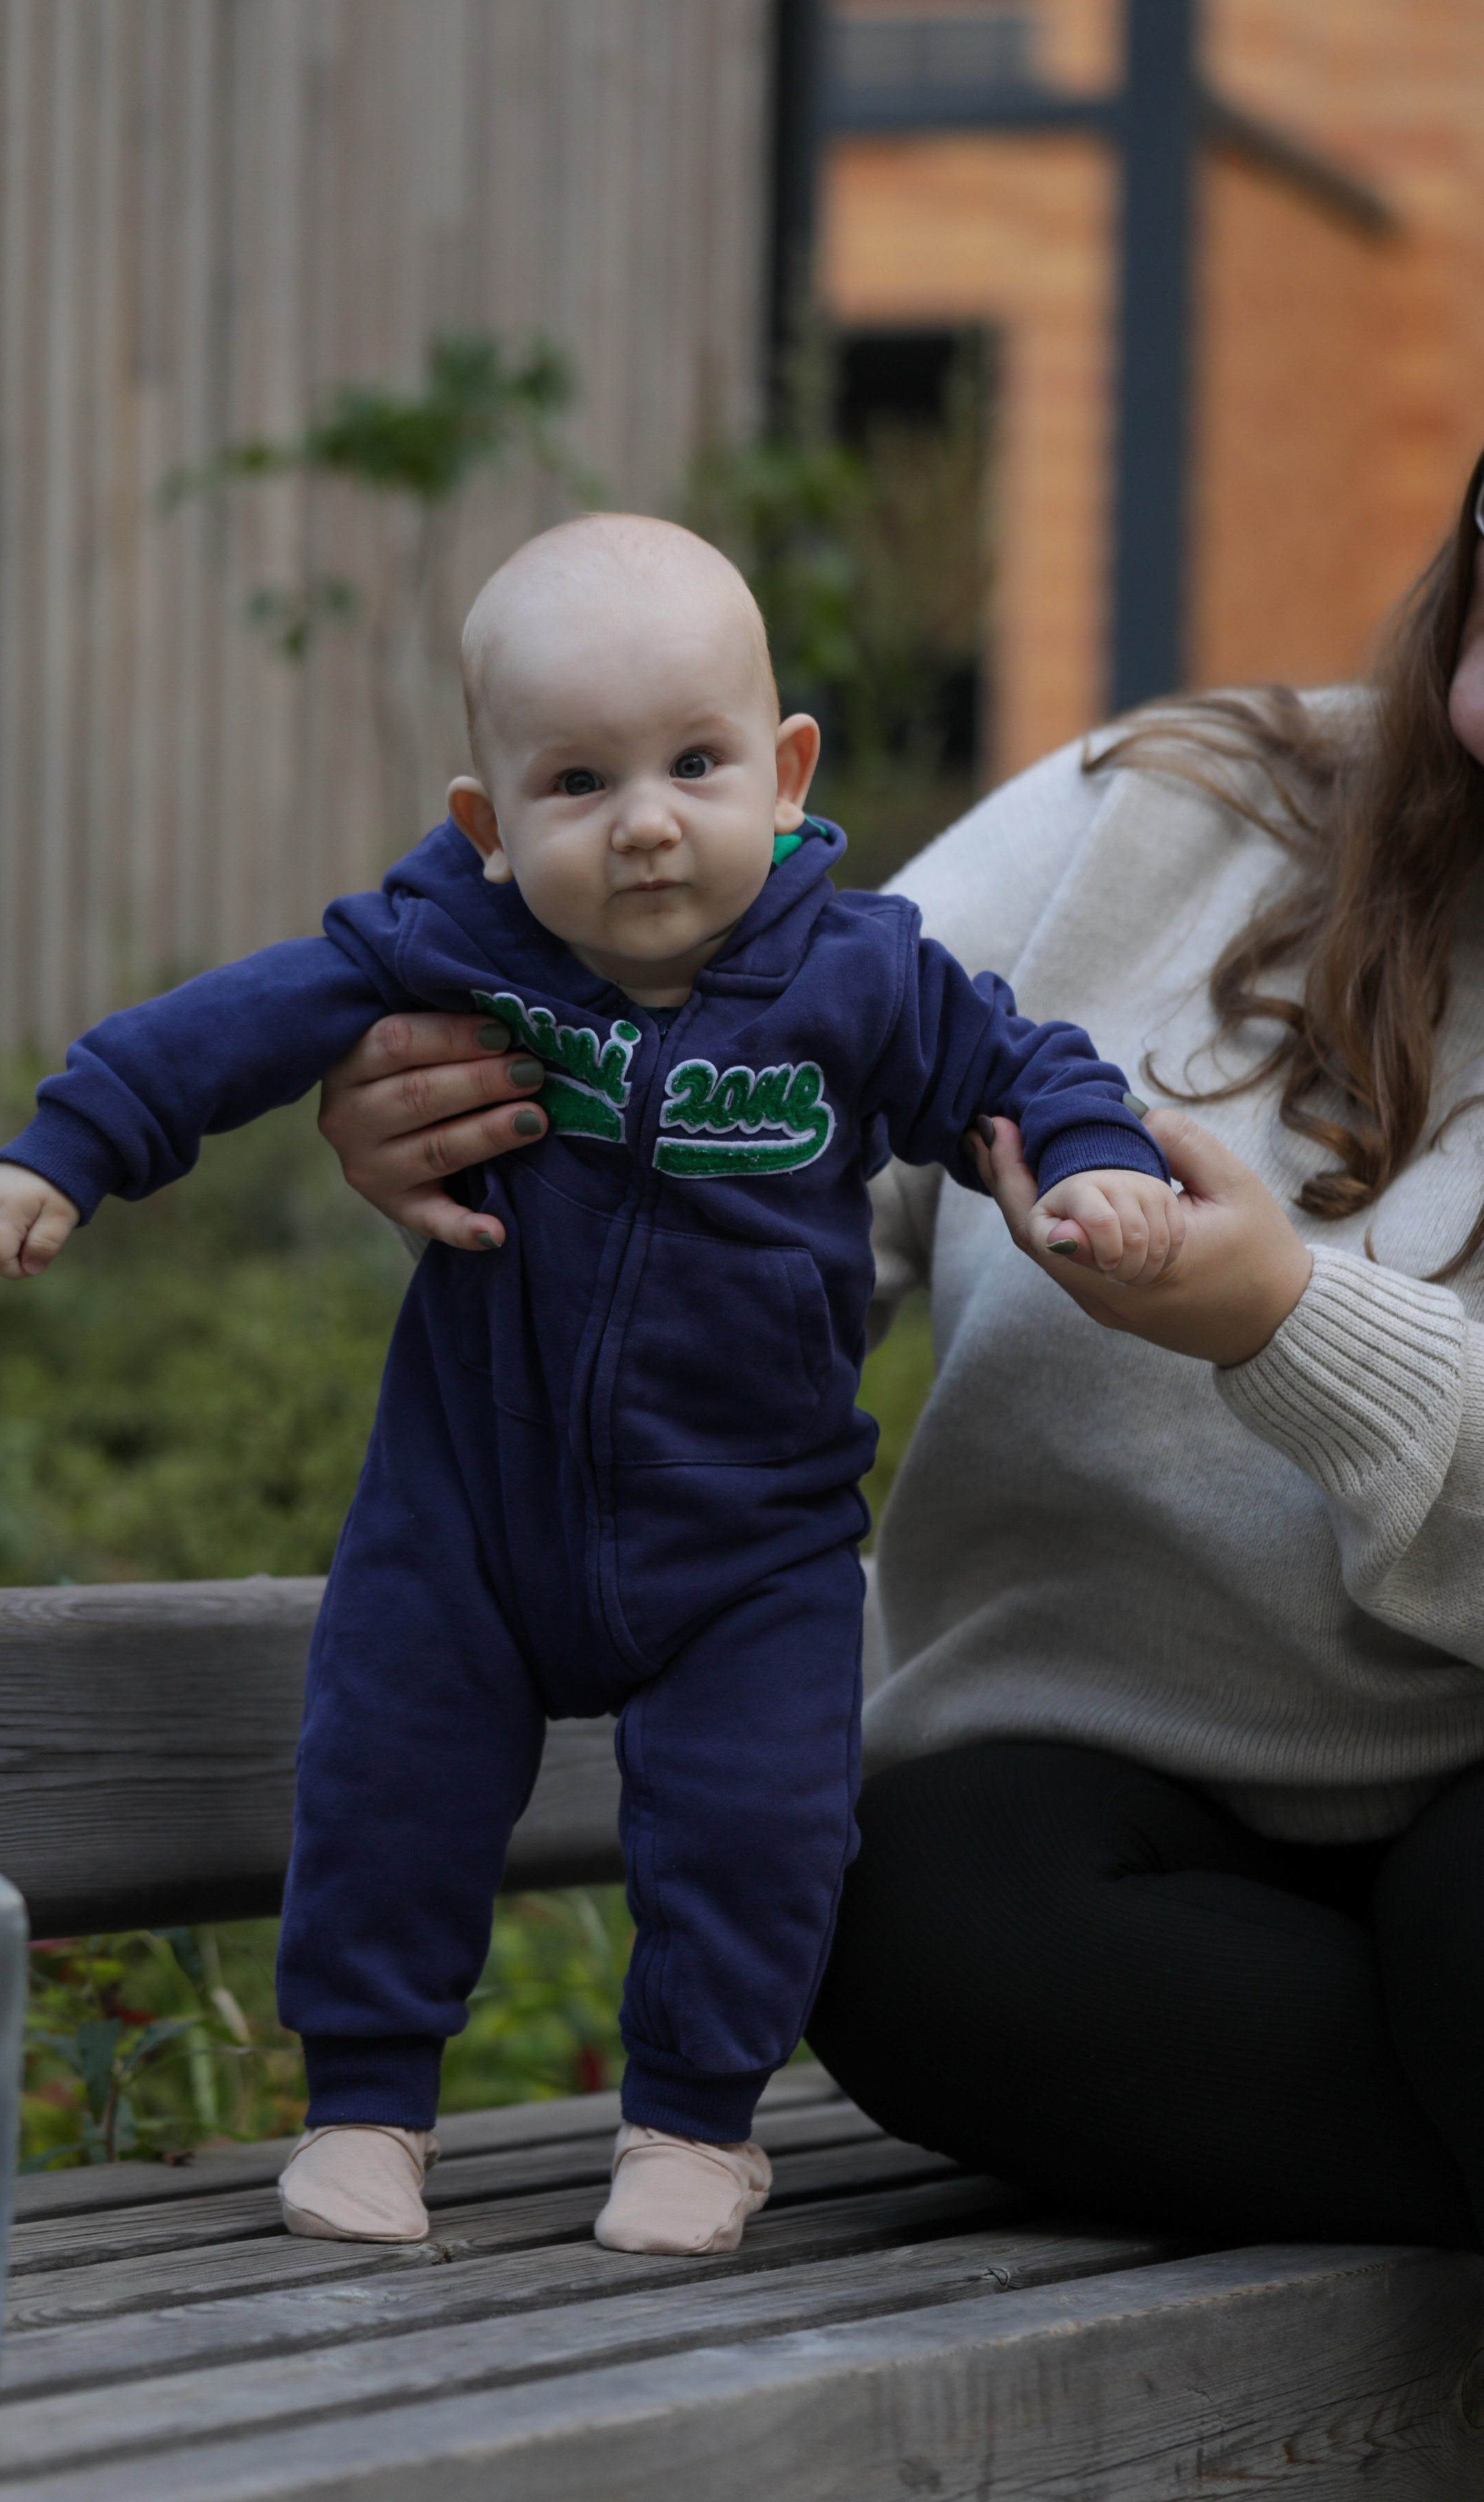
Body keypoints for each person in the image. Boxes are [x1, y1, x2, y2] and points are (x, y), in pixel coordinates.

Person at [0, 514, 1175, 2258]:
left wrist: (1083, 1159)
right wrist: (78, 1141)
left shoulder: (861, 980)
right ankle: (367, 2107)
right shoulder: (452, 946)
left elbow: (1021, 1059)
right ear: (489, 820)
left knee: (757, 1824)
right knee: (389, 1774)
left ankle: (694, 2121)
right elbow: (242, 1022)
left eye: (695, 764)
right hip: (470, 1501)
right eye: (579, 782)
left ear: (784, 766)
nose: (647, 822)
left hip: (746, 1535)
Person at [317, 453, 1484, 2251]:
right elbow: (765, 1092)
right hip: (1083, 1801)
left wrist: (1286, 1321)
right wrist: (493, 1144)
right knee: (910, 1930)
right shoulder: (1173, 806)